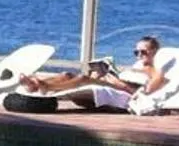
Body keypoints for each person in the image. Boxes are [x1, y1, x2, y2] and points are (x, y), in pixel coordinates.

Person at [16, 37, 170, 110]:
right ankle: (36, 84)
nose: (139, 55)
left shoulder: (157, 70)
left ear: (155, 51)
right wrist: (104, 74)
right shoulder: (139, 64)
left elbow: (142, 93)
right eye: (136, 52)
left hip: (125, 96)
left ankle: (44, 86)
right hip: (115, 85)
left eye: (143, 52)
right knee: (68, 75)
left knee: (83, 79)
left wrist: (116, 81)